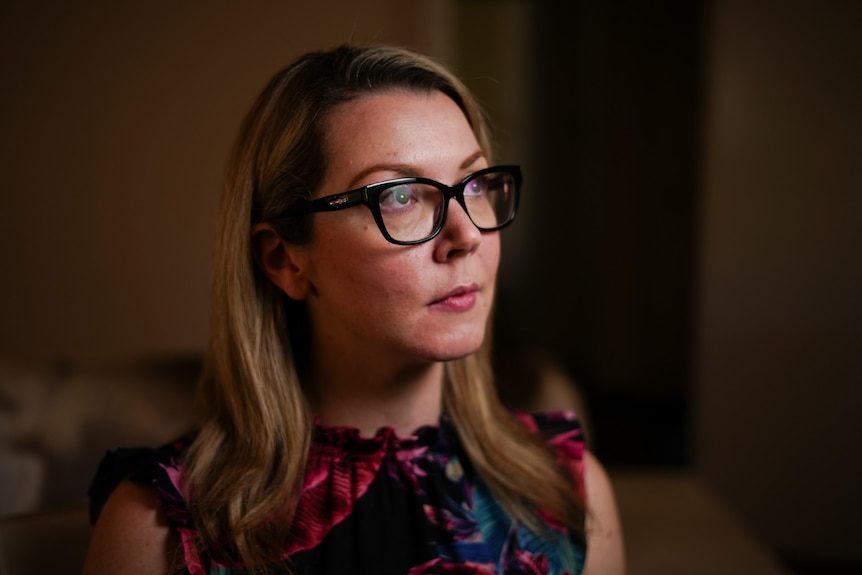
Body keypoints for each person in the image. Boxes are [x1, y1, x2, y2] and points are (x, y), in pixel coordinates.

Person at [82, 44, 624, 575]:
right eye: (400, 196)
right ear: (284, 259)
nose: (466, 236)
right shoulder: (158, 531)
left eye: (475, 184)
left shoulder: (570, 493)